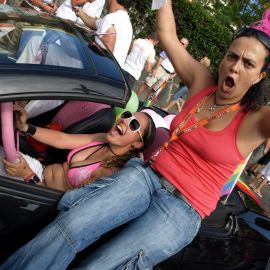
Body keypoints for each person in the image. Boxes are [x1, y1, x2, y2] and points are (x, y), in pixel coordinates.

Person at [2, 1, 270, 269]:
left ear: (259, 76)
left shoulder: (256, 120)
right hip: (145, 176)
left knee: (105, 264)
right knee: (70, 226)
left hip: (183, 208)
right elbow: (167, 35)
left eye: (248, 64)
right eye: (232, 56)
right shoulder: (202, 82)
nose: (235, 67)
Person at [1, 105, 156, 191]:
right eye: (127, 115)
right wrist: (26, 127)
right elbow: (62, 139)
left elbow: (65, 205)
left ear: (137, 144)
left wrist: (28, 175)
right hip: (37, 171)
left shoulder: (112, 172)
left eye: (134, 125)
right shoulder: (103, 139)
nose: (125, 121)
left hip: (38, 193)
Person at [74, 0, 132, 68]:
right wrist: (81, 13)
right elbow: (95, 23)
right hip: (115, 73)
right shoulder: (127, 23)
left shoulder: (111, 18)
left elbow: (107, 47)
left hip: (103, 70)